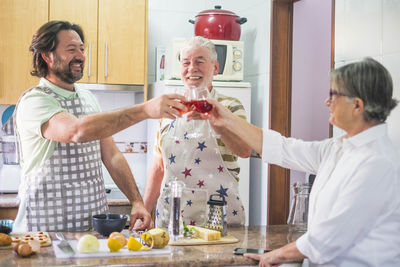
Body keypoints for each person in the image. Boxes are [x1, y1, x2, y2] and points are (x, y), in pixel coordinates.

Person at [198, 57, 400, 266]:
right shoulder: (338, 147)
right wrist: (226, 118)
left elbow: (327, 240)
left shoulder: (376, 163)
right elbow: (284, 148)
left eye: (334, 95)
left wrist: (276, 255)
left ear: (357, 105)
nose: (327, 101)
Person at [13, 20, 186, 232]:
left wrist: (137, 201)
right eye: (71, 49)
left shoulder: (88, 98)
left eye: (82, 49)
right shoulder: (35, 101)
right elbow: (76, 131)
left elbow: (111, 156)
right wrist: (144, 110)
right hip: (44, 229)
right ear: (47, 56)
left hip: (90, 229)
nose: (81, 56)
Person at [141, 36, 252, 228]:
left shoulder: (231, 107)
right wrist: (144, 210)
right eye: (186, 63)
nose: (192, 68)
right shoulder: (168, 110)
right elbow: (159, 166)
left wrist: (216, 121)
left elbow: (244, 150)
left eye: (199, 62)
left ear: (215, 68)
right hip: (174, 219)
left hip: (219, 216)